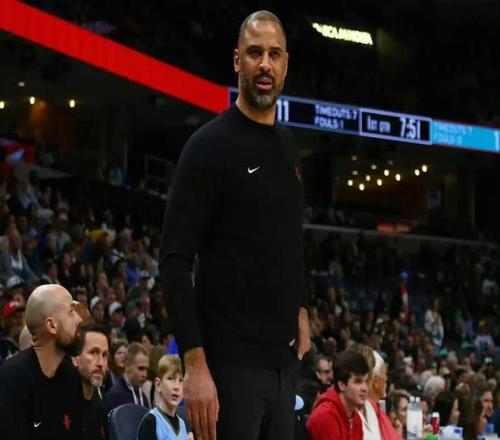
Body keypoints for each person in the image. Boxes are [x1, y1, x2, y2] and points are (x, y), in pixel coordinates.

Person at [159, 10, 309, 440]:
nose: (265, 64)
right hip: (228, 367)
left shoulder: (289, 146)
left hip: (283, 367)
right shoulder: (208, 146)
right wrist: (194, 364)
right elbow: (173, 260)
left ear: (285, 64)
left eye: (274, 54)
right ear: (237, 61)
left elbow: (288, 238)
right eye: (255, 53)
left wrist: (301, 307)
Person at [0, 284, 84, 439]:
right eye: (71, 312)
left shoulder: (72, 375)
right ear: (51, 325)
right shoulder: (12, 377)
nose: (79, 319)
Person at [307, 350, 368, 440]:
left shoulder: (356, 419)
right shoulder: (325, 416)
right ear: (342, 385)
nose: (365, 388)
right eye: (358, 382)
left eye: (365, 381)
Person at [138, 355, 194, 440]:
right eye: (171, 379)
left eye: (181, 380)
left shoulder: (182, 423)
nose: (176, 387)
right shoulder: (151, 421)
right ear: (158, 385)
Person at [72, 324, 109, 440]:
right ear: (76, 358)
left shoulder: (100, 405)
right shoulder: (60, 403)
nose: (100, 363)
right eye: (93, 352)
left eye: (104, 355)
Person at [105, 341, 150, 411]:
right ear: (127, 366)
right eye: (140, 368)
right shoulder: (114, 396)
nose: (145, 375)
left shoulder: (143, 397)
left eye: (146, 369)